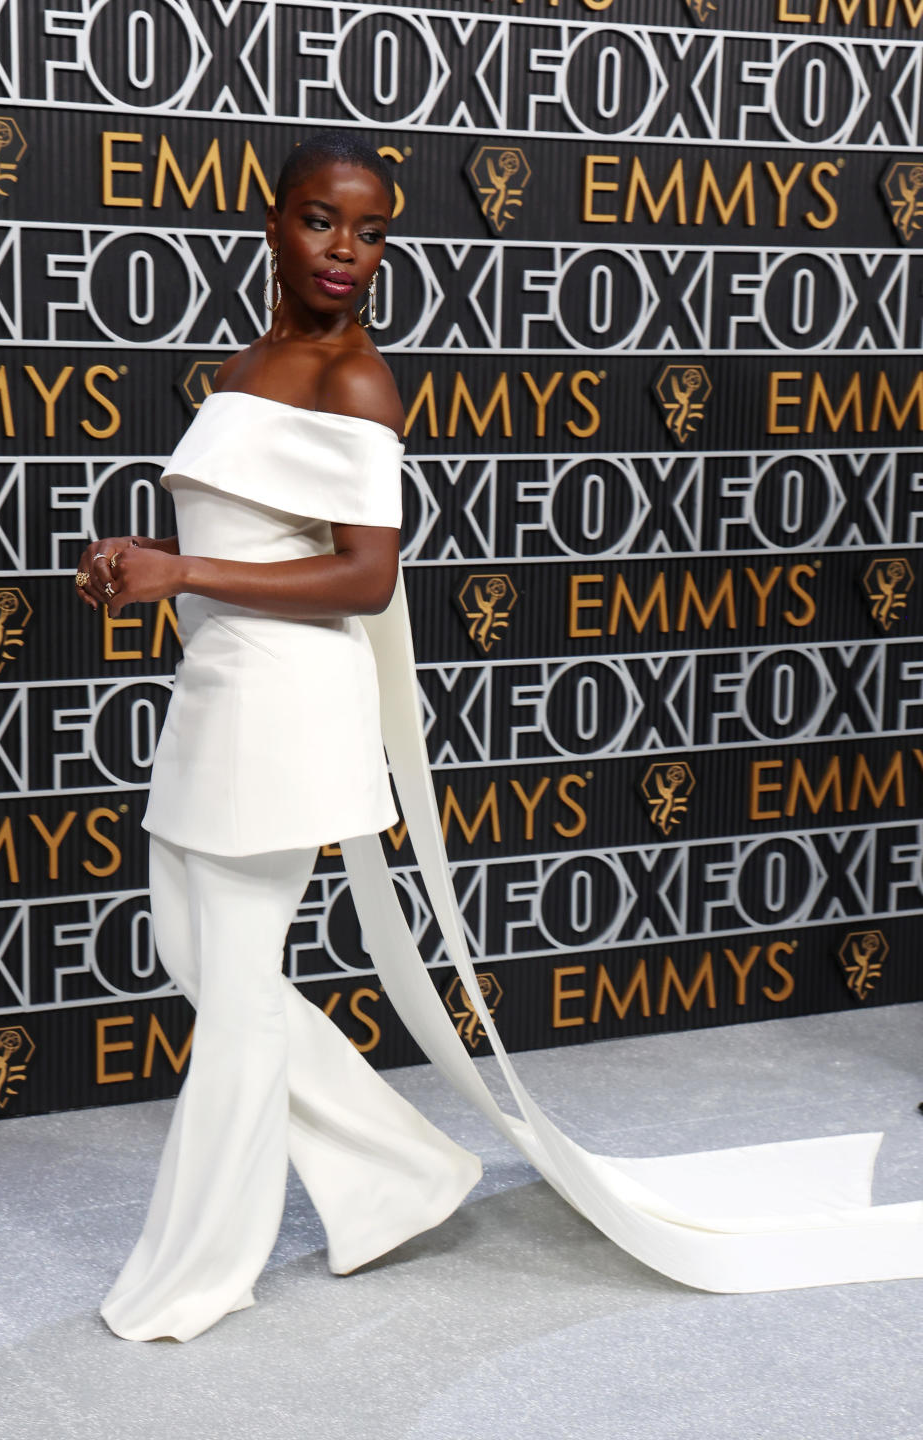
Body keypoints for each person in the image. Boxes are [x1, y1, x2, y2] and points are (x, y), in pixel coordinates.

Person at [75, 134, 922, 1343]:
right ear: (272, 224)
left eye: (374, 234)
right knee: (198, 959)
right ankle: (400, 1176)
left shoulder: (357, 378)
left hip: (283, 705)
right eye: (325, 222)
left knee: (243, 987)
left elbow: (366, 580)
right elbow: (237, 542)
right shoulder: (247, 362)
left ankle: (197, 1268)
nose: (350, 254)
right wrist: (133, 571)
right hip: (215, 692)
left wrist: (180, 569)